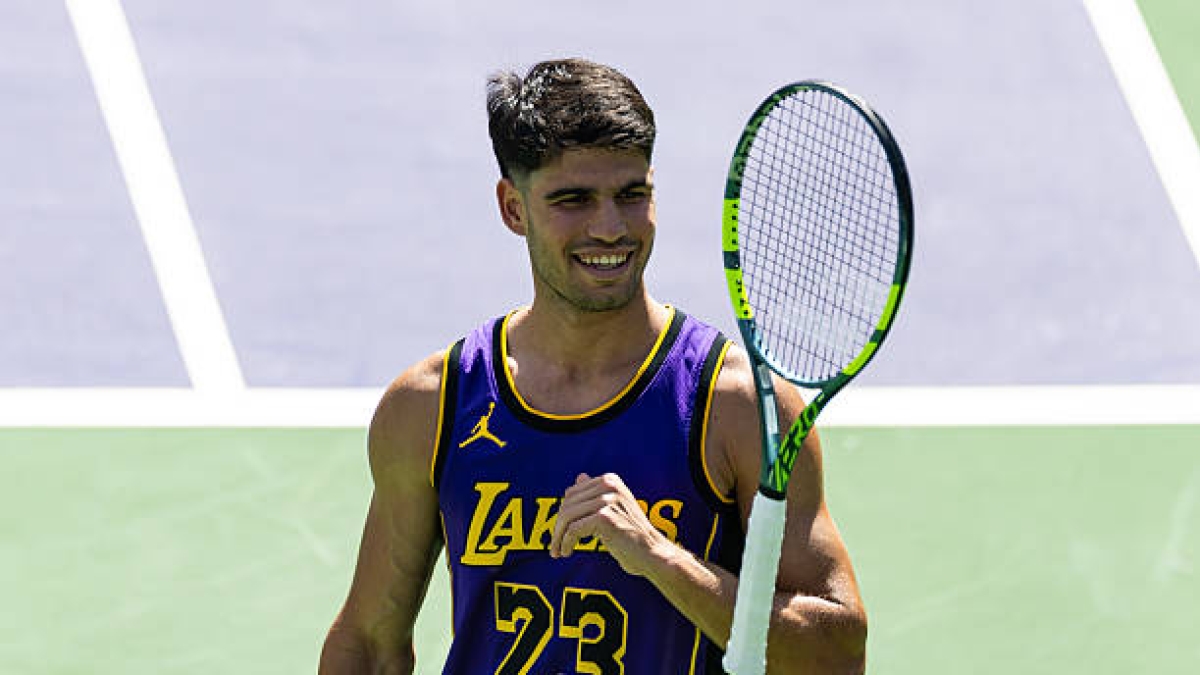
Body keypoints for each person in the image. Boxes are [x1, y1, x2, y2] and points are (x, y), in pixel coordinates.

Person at [319, 57, 866, 675]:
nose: (610, 228)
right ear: (513, 208)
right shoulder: (434, 406)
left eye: (632, 194)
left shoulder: (734, 407)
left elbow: (837, 656)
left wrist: (660, 556)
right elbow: (368, 643)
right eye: (573, 200)